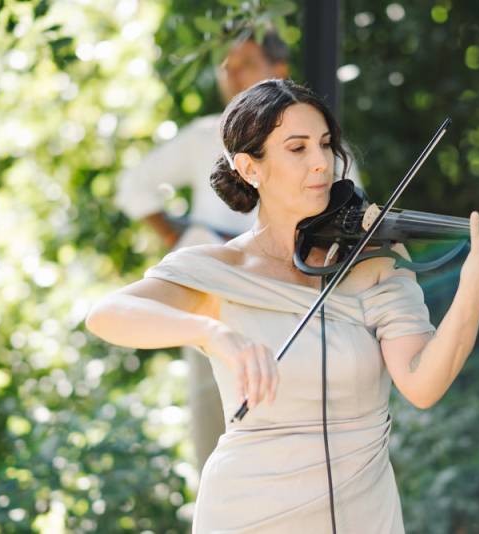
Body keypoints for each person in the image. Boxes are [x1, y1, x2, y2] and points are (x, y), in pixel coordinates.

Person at [87, 79, 479, 533]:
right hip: (247, 513)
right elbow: (106, 315)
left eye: (326, 144)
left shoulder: (372, 257)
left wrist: (474, 289)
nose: (321, 162)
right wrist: (212, 332)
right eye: (297, 148)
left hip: (362, 515)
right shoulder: (219, 269)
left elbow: (422, 384)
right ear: (249, 168)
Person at [113, 29, 290, 474]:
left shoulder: (312, 140)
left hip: (284, 288)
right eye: (227, 65)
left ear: (278, 70)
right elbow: (134, 186)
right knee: (212, 408)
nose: (233, 74)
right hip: (211, 289)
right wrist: (180, 239)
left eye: (246, 63)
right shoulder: (204, 136)